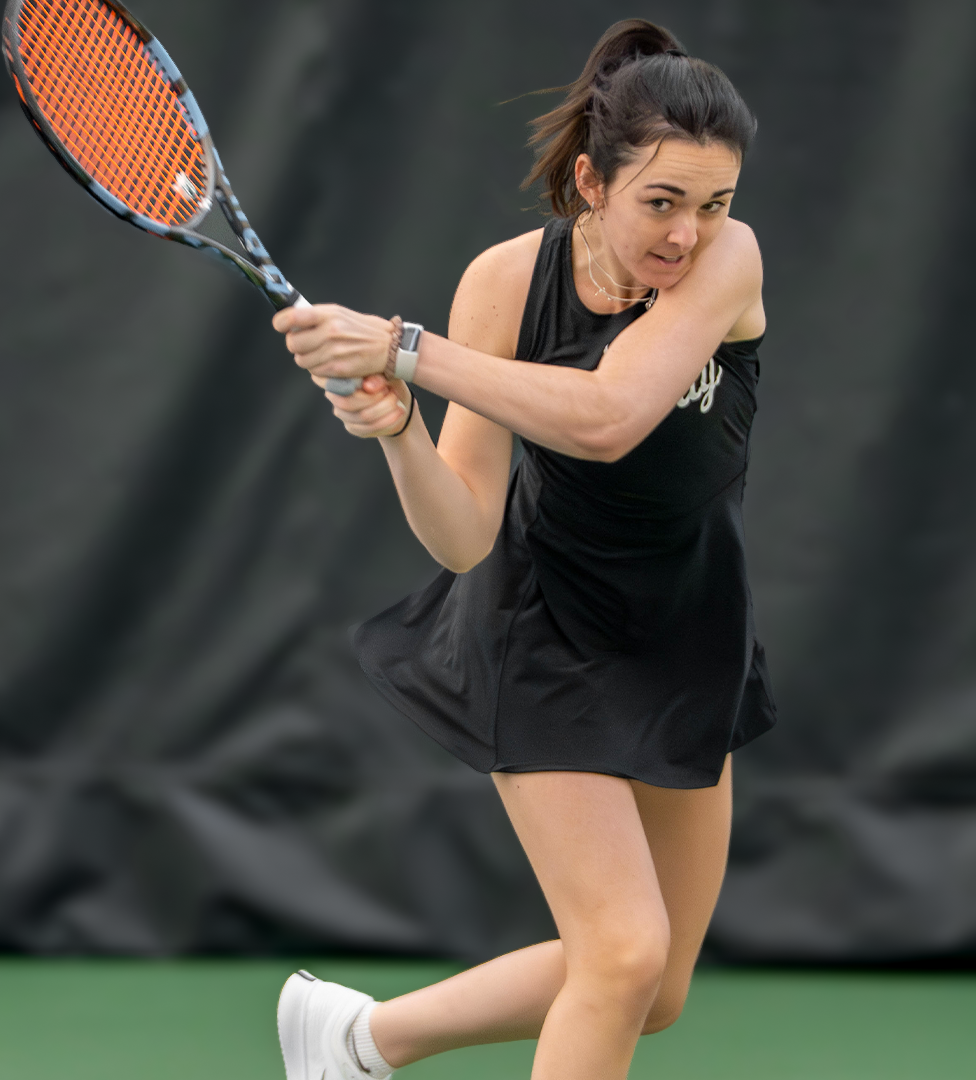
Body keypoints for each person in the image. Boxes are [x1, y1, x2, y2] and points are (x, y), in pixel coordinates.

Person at [270, 18, 771, 1080]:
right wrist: (401, 425)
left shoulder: (726, 262)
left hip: (687, 628)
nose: (689, 231)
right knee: (623, 949)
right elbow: (461, 534)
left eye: (713, 203)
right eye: (662, 201)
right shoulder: (503, 284)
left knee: (659, 983)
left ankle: (360, 1042)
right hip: (540, 629)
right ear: (592, 182)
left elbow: (607, 417)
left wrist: (408, 350)